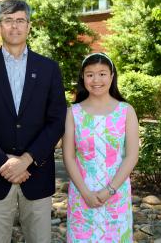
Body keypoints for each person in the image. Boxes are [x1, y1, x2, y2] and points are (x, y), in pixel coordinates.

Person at [0, 0, 67, 243]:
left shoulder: (49, 68)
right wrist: (6, 163)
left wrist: (26, 160)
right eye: (8, 21)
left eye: (20, 20)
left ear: (29, 26)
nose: (14, 26)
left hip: (37, 175)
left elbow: (57, 121)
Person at [62, 53, 139, 242]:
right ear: (83, 77)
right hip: (82, 194)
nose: (96, 79)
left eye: (102, 74)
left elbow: (131, 156)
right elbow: (69, 157)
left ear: (112, 76)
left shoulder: (126, 111)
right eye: (90, 74)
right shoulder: (73, 113)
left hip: (116, 194)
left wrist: (109, 190)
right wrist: (86, 193)